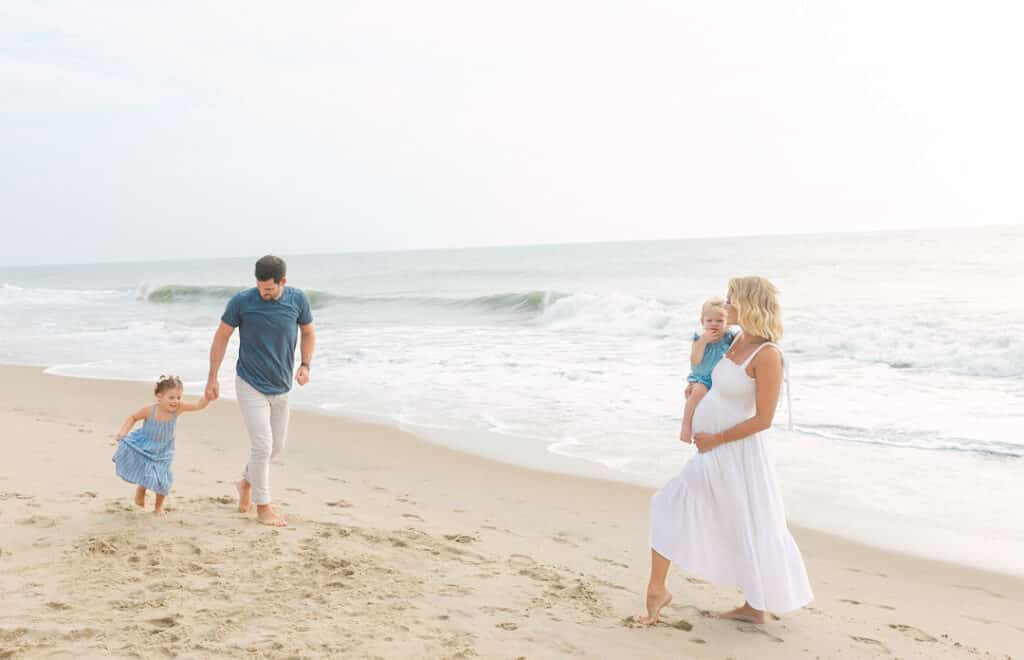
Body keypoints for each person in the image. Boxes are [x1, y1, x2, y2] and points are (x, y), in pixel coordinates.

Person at [637, 276, 812, 625]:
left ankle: (744, 604)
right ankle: (747, 604)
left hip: (735, 453)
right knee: (723, 517)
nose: (725, 306)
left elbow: (763, 419)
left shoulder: (768, 355)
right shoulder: (733, 340)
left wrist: (716, 439)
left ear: (747, 304)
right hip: (712, 451)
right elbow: (707, 374)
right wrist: (694, 386)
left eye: (731, 300)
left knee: (742, 520)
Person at [205, 255, 315, 527]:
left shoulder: (297, 300)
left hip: (281, 386)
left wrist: (305, 365)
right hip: (249, 383)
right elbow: (221, 336)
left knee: (276, 447)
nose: (263, 293)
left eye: (269, 288)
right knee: (263, 445)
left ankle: (245, 482)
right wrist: (212, 378)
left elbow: (309, 333)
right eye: (259, 287)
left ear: (283, 282)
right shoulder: (242, 302)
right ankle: (263, 507)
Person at [112, 374, 209, 515]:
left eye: (178, 397)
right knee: (145, 472)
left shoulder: (179, 408)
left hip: (164, 449)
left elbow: (198, 405)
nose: (175, 401)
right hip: (144, 445)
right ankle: (141, 490)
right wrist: (123, 431)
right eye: (171, 397)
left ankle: (158, 507)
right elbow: (133, 417)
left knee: (163, 479)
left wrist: (208, 397)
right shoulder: (149, 410)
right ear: (159, 396)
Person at [679, 298, 736, 443]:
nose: (714, 324)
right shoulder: (699, 338)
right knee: (698, 392)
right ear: (702, 321)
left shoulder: (729, 337)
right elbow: (695, 360)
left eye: (719, 320)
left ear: (727, 321)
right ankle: (686, 426)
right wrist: (703, 342)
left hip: (719, 377)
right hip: (703, 377)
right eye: (709, 320)